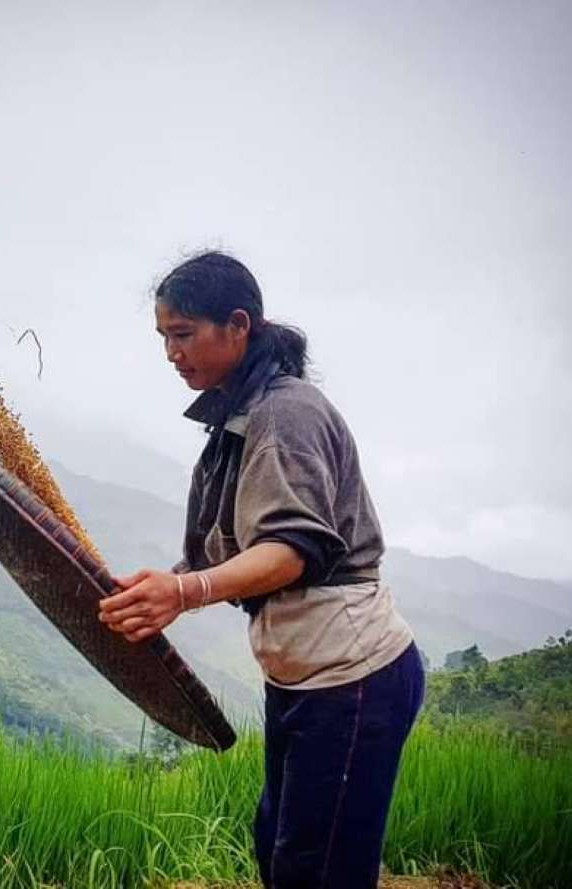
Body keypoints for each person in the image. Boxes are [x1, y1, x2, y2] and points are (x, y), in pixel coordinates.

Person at [97, 251, 425, 889]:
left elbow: (293, 549)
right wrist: (154, 590)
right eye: (164, 337)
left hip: (352, 678)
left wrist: (185, 592)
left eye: (184, 333)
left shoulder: (286, 413)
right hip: (300, 677)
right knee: (278, 848)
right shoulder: (236, 418)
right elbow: (223, 550)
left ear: (238, 325)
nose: (171, 352)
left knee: (318, 869)